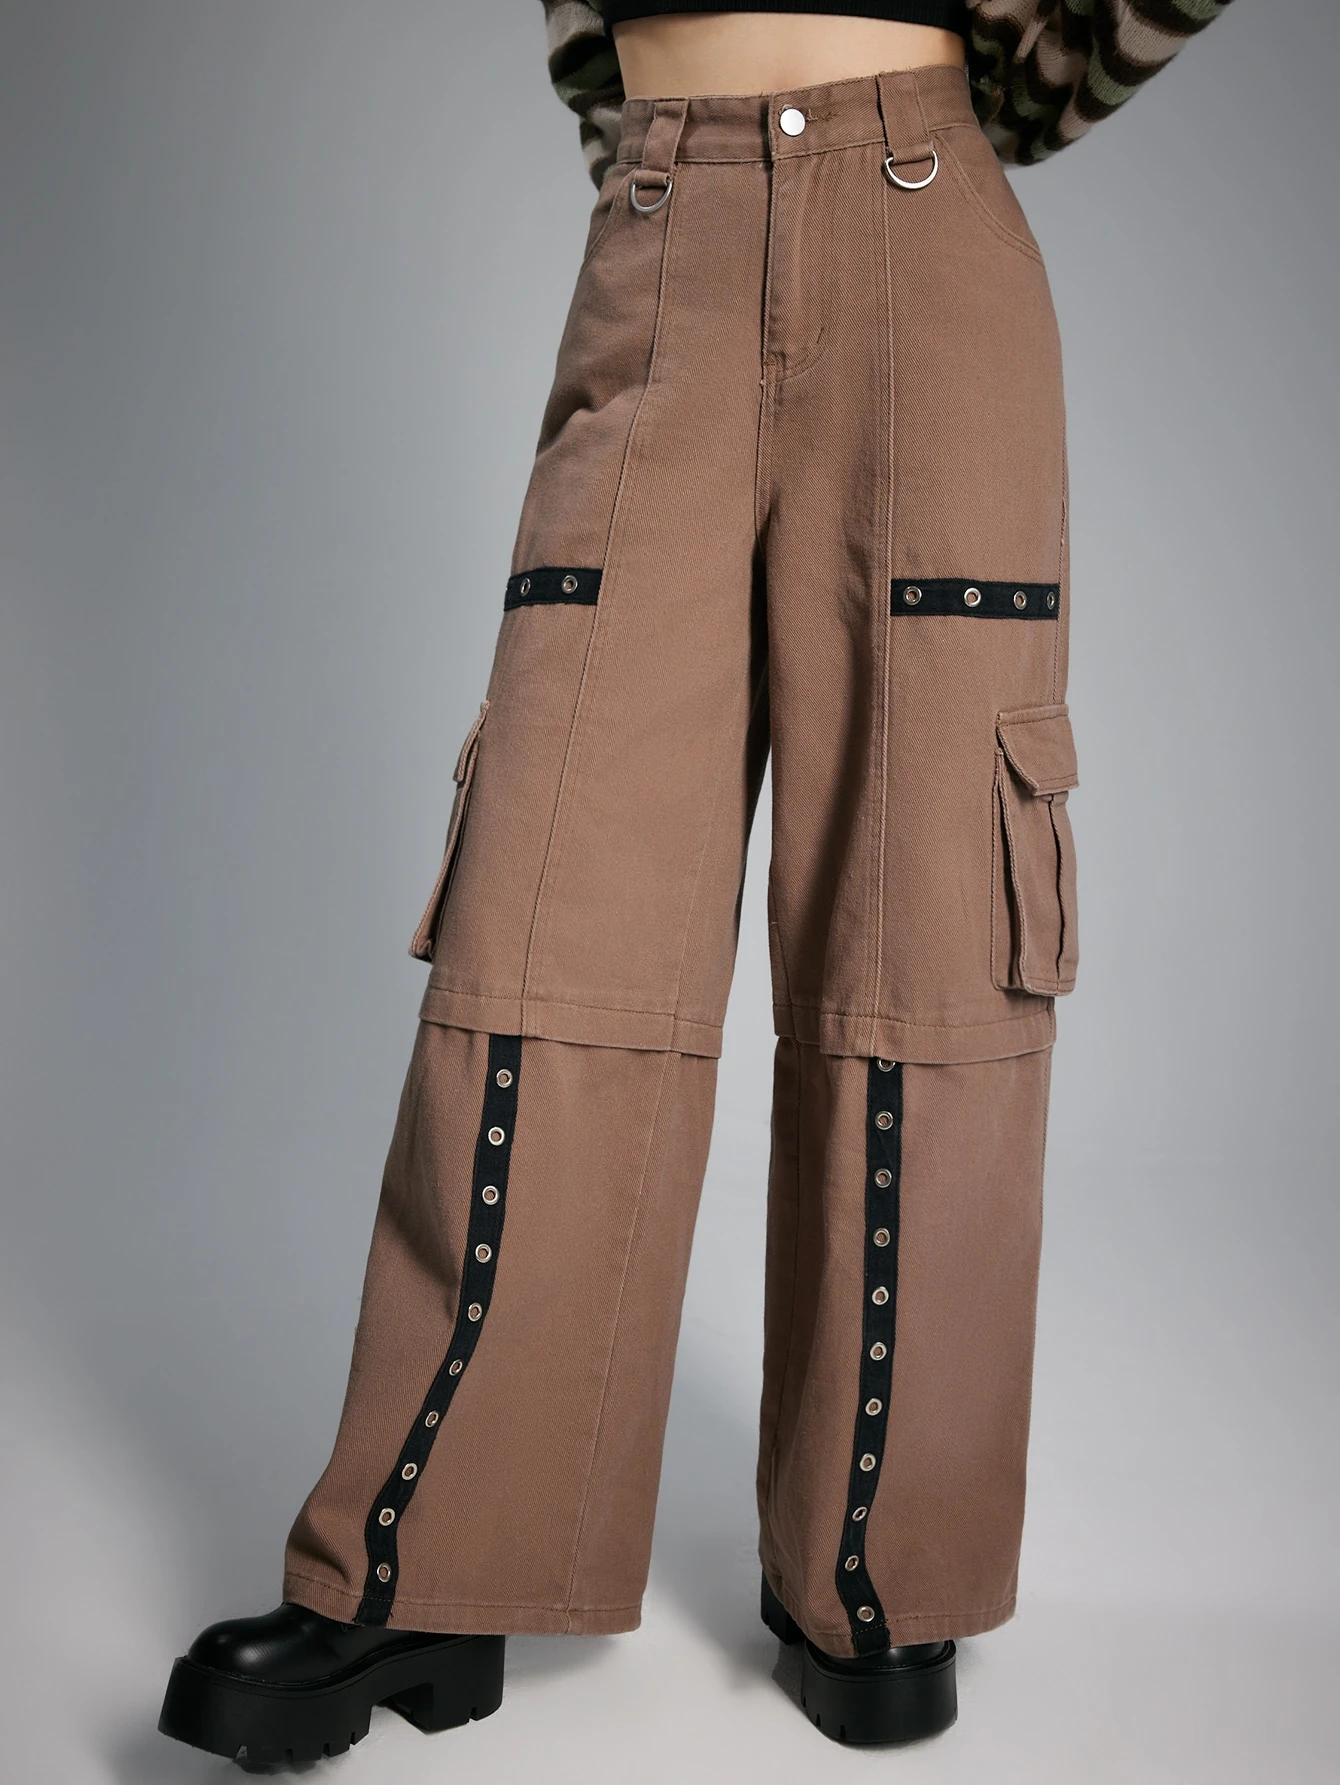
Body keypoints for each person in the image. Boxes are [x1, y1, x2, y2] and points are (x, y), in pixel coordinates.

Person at [158, 1, 1232, 1764]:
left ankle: (876, 1580)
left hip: (924, 230)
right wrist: (671, 169)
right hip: (662, 237)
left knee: (928, 928)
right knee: (549, 897)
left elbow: (1058, 53)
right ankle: (423, 1564)